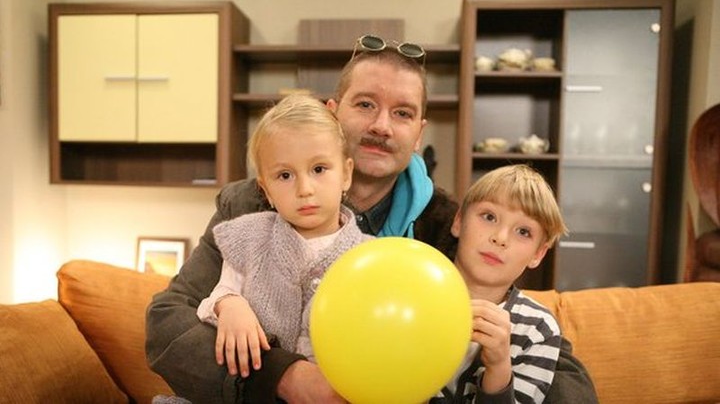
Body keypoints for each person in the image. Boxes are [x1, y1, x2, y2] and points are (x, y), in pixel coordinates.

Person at [146, 34, 598, 404]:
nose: (382, 125)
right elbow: (168, 322)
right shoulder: (252, 204)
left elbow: (555, 365)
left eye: (402, 113)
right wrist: (283, 377)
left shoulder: (446, 227)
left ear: (418, 133)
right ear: (332, 112)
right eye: (365, 104)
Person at [195, 94, 374, 379]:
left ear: (346, 174)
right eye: (285, 176)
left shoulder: (372, 258)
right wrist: (229, 305)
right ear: (266, 190)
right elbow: (219, 293)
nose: (304, 189)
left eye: (318, 169)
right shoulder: (249, 238)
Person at [432, 164, 566, 404]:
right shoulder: (415, 292)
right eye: (489, 217)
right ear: (459, 221)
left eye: (523, 231)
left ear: (538, 254)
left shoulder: (539, 329)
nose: (500, 238)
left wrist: (498, 368)